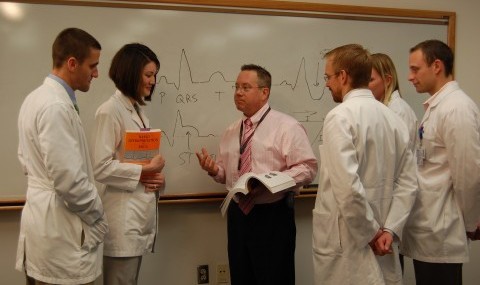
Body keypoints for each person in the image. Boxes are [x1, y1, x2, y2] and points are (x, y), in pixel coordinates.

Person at [196, 64, 317, 285]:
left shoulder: (287, 126)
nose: (238, 93)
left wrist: (271, 183)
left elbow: (307, 168)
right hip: (238, 215)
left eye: (245, 87)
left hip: (272, 215)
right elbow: (227, 174)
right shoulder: (232, 130)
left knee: (274, 278)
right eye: (236, 87)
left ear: (264, 92)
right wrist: (215, 170)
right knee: (241, 277)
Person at [312, 44, 418, 285]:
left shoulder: (340, 117)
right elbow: (410, 183)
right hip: (381, 239)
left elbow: (348, 189)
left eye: (328, 77)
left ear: (343, 76)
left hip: (349, 243)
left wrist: (372, 233)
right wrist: (389, 230)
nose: (327, 83)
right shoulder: (392, 118)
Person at [15, 27, 108, 285]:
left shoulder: (35, 99)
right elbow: (70, 181)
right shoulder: (55, 106)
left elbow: (25, 160)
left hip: (45, 228)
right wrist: (98, 214)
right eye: (93, 66)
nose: (96, 73)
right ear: (71, 63)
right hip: (60, 234)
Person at [401, 39, 480, 285]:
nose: (409, 77)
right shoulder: (439, 105)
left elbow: (468, 173)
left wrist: (471, 222)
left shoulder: (457, 108)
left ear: (436, 66)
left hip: (442, 228)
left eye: (415, 69)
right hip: (429, 226)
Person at [92, 43, 165, 285]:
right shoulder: (109, 111)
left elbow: (140, 165)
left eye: (155, 75)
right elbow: (101, 168)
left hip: (137, 218)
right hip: (121, 221)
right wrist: (146, 171)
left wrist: (156, 178)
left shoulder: (140, 113)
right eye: (148, 75)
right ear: (131, 73)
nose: (153, 81)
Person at [369, 53, 418, 151]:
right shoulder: (381, 108)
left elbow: (398, 154)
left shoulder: (398, 110)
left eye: (370, 80)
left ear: (387, 80)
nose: (364, 85)